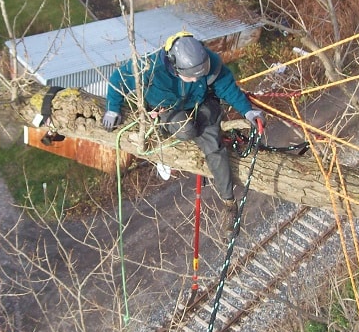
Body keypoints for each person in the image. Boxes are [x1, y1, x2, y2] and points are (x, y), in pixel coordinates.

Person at [102, 31, 265, 232]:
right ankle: (170, 138)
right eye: (189, 76)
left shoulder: (209, 62)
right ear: (173, 65)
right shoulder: (150, 67)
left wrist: (247, 110)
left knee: (214, 148)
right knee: (186, 130)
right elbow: (118, 79)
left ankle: (229, 202)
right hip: (167, 110)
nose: (193, 79)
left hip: (202, 104)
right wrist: (113, 107)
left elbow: (227, 87)